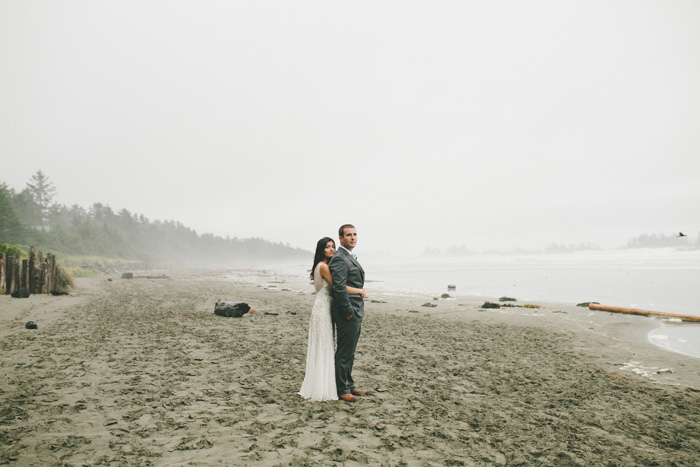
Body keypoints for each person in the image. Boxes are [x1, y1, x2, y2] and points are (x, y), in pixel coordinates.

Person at [298, 237, 365, 401]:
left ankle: (330, 383)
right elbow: (338, 286)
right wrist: (359, 291)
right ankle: (331, 387)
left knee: (324, 347)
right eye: (327, 247)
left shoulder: (321, 266)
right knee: (325, 347)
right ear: (321, 250)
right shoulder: (323, 267)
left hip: (322, 308)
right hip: (323, 310)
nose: (331, 249)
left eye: (333, 246)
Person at [329, 224, 370, 402]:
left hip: (355, 310)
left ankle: (349, 384)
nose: (353, 238)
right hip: (348, 311)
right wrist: (348, 312)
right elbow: (338, 288)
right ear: (341, 238)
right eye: (348, 235)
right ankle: (342, 388)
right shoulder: (339, 258)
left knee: (350, 351)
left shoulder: (349, 256)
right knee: (344, 352)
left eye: (354, 234)